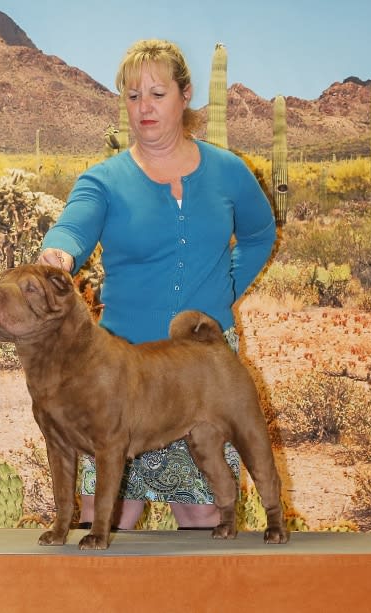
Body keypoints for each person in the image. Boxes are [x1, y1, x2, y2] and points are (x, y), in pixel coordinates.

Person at [38, 39, 276, 531]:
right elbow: (73, 228)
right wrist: (58, 255)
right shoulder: (102, 180)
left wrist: (226, 290)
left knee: (204, 510)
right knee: (106, 514)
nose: (143, 107)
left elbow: (259, 233)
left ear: (185, 96)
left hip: (201, 370)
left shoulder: (229, 171)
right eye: (132, 95)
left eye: (157, 93)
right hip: (120, 368)